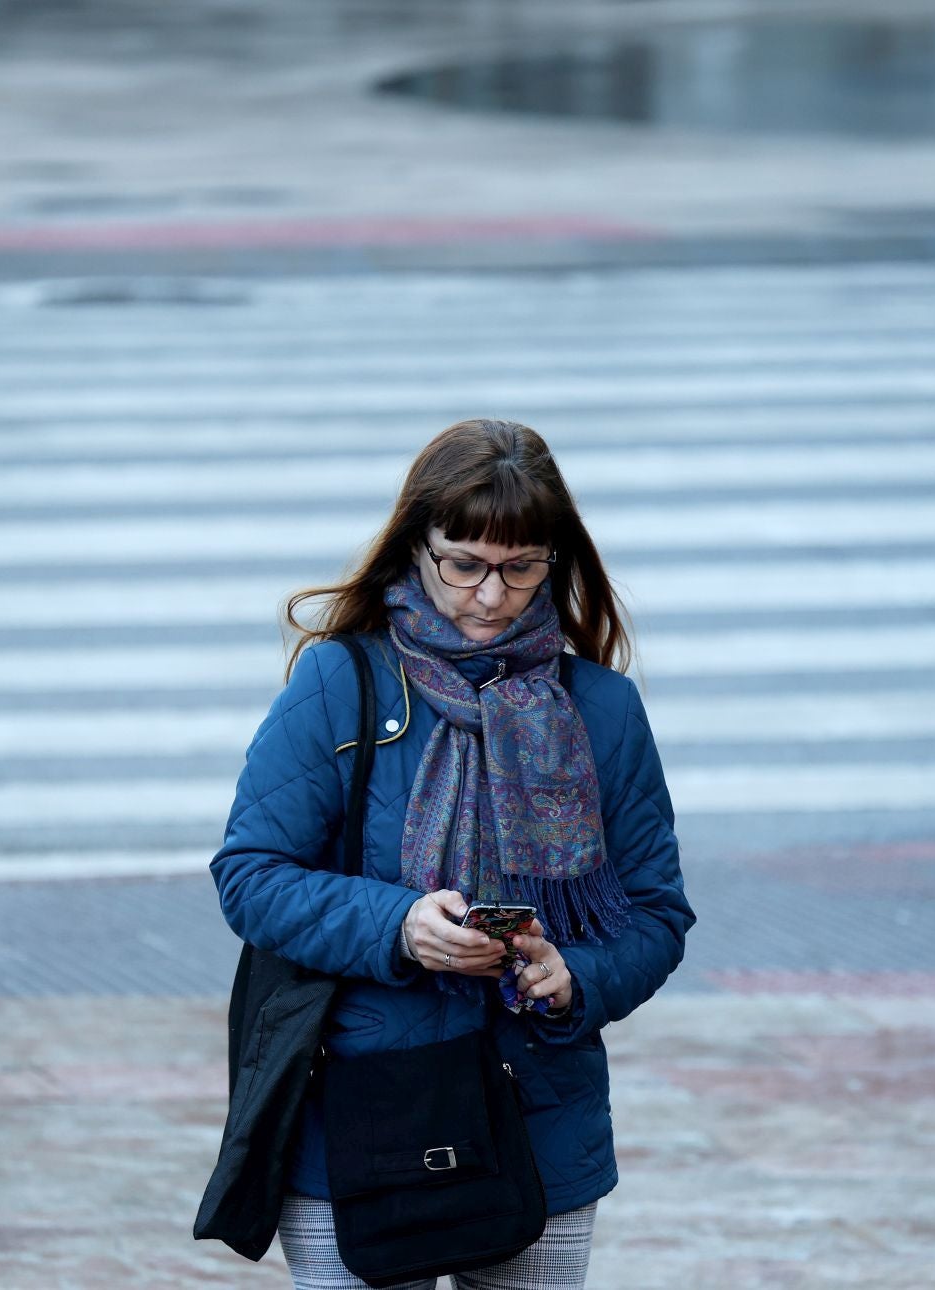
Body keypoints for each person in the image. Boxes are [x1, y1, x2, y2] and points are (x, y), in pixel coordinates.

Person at [209, 418, 695, 1289]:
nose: (490, 595)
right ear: (417, 548)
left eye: (519, 567)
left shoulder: (602, 709)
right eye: (463, 562)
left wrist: (574, 976)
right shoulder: (341, 683)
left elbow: (656, 913)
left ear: (555, 559)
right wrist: (399, 925)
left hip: (537, 1111)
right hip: (359, 1111)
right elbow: (250, 875)